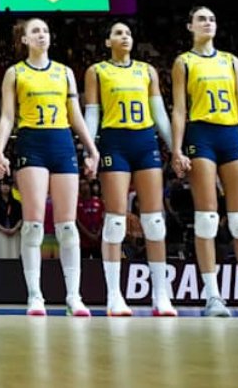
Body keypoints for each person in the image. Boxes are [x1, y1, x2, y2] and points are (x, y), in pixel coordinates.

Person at [0, 18, 100, 316]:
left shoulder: (64, 73)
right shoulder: (15, 73)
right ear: (24, 40)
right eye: (35, 31)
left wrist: (91, 148)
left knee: (67, 225)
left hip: (62, 143)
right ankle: (35, 295)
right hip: (31, 144)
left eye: (45, 31)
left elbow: (75, 114)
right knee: (34, 223)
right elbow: (7, 117)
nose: (42, 35)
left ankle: (73, 296)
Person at [170, 6, 238, 317]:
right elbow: (179, 110)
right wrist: (177, 149)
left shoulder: (231, 61)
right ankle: (212, 297)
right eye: (201, 19)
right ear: (190, 26)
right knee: (207, 218)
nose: (208, 23)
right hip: (201, 134)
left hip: (231, 136)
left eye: (212, 18)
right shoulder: (184, 62)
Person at [83, 22, 177, 316]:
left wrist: (175, 147)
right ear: (108, 41)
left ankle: (161, 297)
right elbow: (92, 113)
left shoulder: (147, 71)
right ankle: (114, 296)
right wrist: (91, 150)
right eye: (118, 33)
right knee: (115, 220)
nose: (124, 37)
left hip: (145, 140)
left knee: (154, 221)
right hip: (114, 143)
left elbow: (159, 112)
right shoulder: (97, 71)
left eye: (128, 33)